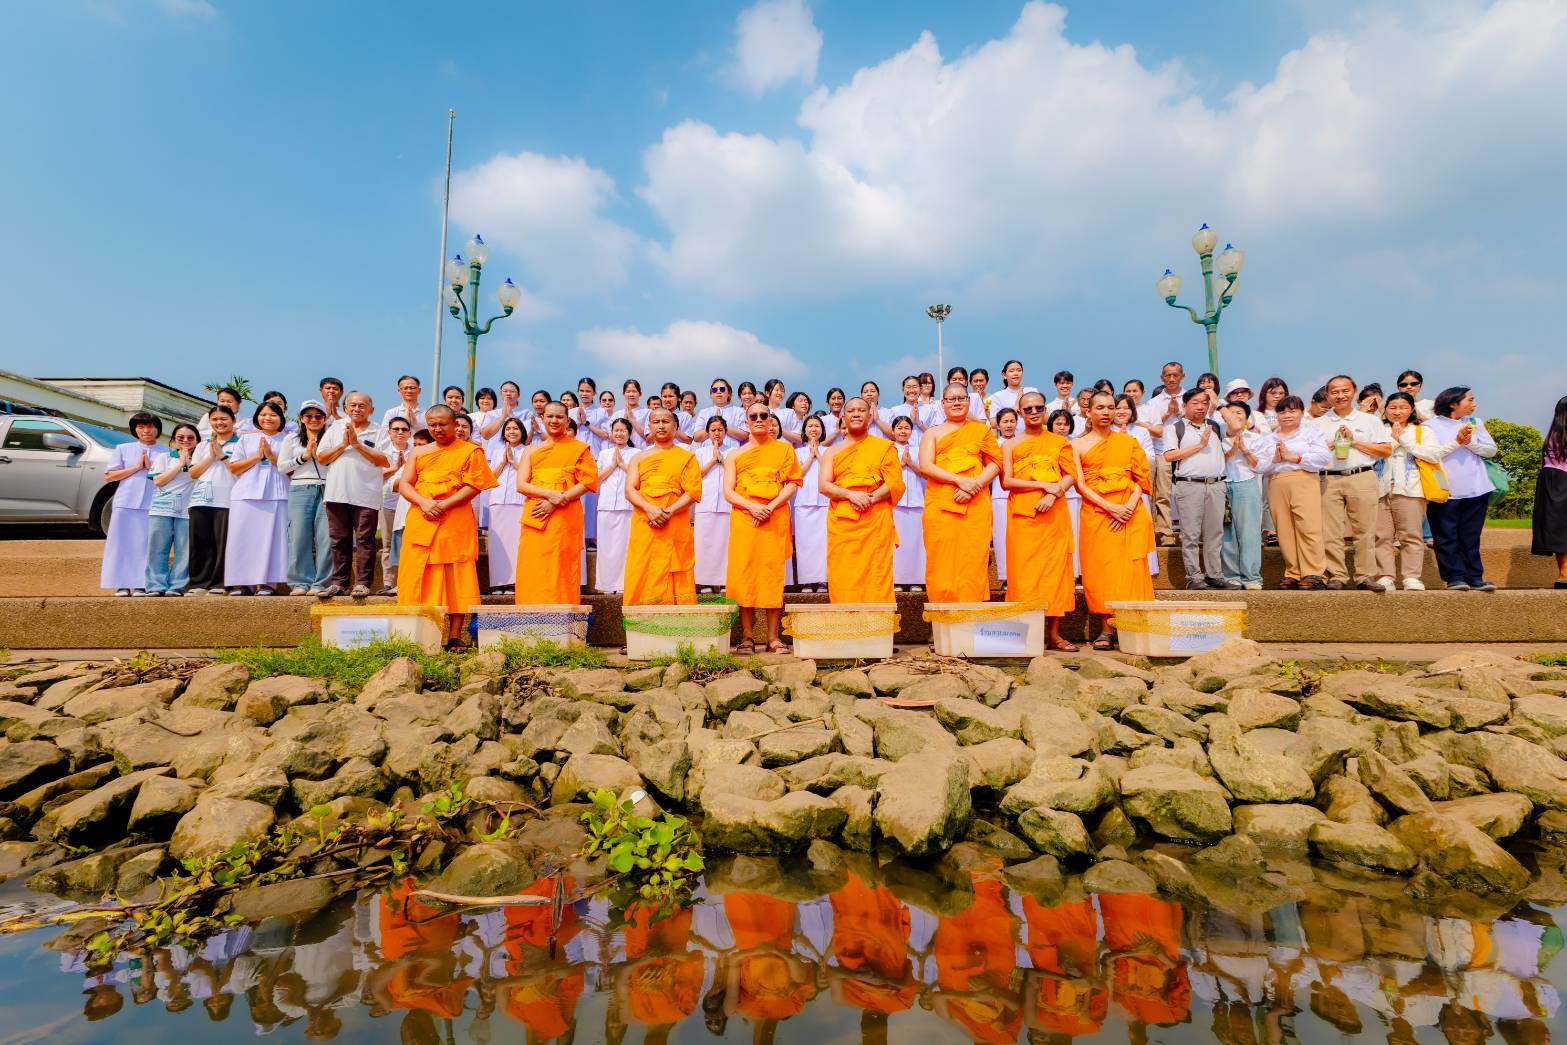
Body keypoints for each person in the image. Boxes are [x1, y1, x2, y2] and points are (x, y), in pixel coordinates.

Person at [395, 405, 498, 645]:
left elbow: (474, 485)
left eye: (442, 424)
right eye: (432, 425)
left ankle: (454, 636)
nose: (437, 429)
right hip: (423, 516)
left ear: (455, 425)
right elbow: (405, 484)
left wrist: (444, 504)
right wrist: (424, 502)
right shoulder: (419, 452)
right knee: (418, 573)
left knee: (456, 576)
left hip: (454, 520)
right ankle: (419, 634)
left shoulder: (471, 451)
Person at [1073, 390, 1155, 649]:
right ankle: (1106, 629)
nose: (1106, 412)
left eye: (1111, 407)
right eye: (1100, 408)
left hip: (1130, 512)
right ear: (1088, 411)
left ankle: (1135, 625)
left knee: (1132, 569)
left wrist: (1128, 507)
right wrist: (1110, 508)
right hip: (1097, 513)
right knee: (1101, 570)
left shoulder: (1128, 442)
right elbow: (1079, 484)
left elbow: (1141, 478)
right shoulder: (1077, 445)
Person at [725, 401, 803, 651]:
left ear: (771, 420)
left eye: (763, 415)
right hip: (745, 519)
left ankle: (773, 638)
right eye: (753, 416)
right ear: (746, 422)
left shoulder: (784, 449)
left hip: (774, 517)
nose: (759, 419)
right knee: (744, 575)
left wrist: (769, 507)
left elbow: (792, 483)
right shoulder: (735, 455)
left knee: (772, 575)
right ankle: (747, 637)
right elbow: (728, 491)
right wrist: (752, 507)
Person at [1002, 391, 1077, 649]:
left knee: (1055, 573)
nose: (1034, 412)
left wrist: (1053, 493)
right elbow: (1006, 481)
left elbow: (1071, 475)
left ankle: (1054, 634)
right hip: (1023, 516)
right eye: (1028, 409)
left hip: (1054, 513)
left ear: (1045, 410)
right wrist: (1044, 485)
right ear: (1020, 413)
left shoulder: (1058, 442)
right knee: (1023, 574)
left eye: (1038, 408)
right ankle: (1025, 633)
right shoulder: (1010, 444)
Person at [920, 382, 1003, 602]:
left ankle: (971, 611)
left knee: (972, 557)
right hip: (941, 504)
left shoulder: (981, 431)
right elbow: (926, 466)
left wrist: (974, 485)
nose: (956, 403)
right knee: (942, 557)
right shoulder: (932, 433)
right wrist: (959, 481)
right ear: (943, 403)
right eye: (952, 399)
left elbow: (996, 463)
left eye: (961, 398)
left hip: (975, 504)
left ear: (968, 401)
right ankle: (943, 613)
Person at [819, 397, 904, 603]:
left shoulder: (885, 447)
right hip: (843, 522)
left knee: (877, 573)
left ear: (870, 416)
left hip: (875, 520)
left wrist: (870, 498)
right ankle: (846, 619)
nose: (856, 414)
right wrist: (851, 495)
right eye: (851, 411)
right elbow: (824, 485)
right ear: (843, 417)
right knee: (844, 572)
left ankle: (878, 621)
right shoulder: (832, 451)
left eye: (861, 410)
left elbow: (894, 482)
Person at [514, 401, 598, 604]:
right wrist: (550, 495)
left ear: (567, 421)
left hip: (564, 516)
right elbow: (521, 484)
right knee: (533, 564)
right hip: (536, 515)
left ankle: (562, 615)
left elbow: (588, 481)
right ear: (542, 418)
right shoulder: (530, 450)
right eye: (550, 416)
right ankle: (530, 614)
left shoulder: (579, 448)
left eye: (559, 417)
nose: (554, 420)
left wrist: (559, 500)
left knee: (561, 565)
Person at [1314, 375, 1392, 590]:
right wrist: (1333, 444)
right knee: (1330, 530)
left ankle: (1365, 576)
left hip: (1362, 476)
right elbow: (1311, 454)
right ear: (1327, 395)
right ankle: (1337, 575)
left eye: (1345, 391)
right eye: (1334, 392)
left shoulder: (1370, 420)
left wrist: (1354, 442)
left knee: (1365, 530)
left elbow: (1386, 450)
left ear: (1354, 391)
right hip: (1328, 478)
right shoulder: (1318, 423)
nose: (1340, 396)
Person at [1375, 391, 1456, 591]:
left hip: (1411, 489)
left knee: (1411, 535)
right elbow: (1370, 454)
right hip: (1379, 489)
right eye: (1392, 407)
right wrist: (1393, 441)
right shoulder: (1377, 429)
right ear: (1385, 410)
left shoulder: (1422, 431)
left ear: (1411, 410)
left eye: (1403, 407)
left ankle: (1411, 576)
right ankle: (1385, 576)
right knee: (1381, 536)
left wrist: (1403, 441)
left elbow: (1433, 455)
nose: (1397, 412)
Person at [623, 407, 703, 605]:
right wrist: (649, 509)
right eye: (656, 422)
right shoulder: (638, 458)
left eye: (665, 421)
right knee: (643, 565)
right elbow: (630, 490)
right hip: (645, 521)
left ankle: (679, 619)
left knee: (677, 565)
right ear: (649, 427)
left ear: (675, 427)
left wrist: (669, 511)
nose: (660, 425)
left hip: (675, 521)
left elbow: (693, 491)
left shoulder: (687, 457)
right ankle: (641, 617)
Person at [1424, 386, 1500, 591]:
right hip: (1445, 490)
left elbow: (1491, 450)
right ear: (1453, 403)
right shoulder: (1430, 426)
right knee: (1446, 536)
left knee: (1470, 536)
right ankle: (1454, 577)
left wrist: (1470, 443)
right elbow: (1431, 454)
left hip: (1477, 488)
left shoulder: (1475, 422)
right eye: (1470, 400)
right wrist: (1457, 441)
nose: (1474, 404)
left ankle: (1474, 577)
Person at [317, 391, 389, 599]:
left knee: (365, 540)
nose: (357, 409)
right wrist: (343, 445)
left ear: (371, 410)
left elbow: (385, 461)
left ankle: (363, 583)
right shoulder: (335, 428)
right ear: (346, 408)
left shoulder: (379, 431)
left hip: (366, 496)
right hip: (336, 493)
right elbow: (322, 457)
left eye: (362, 405)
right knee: (339, 540)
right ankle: (339, 583)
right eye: (353, 405)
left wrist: (357, 444)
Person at [1162, 389, 1233, 589]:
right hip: (1189, 485)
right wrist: (1200, 445)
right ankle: (1194, 577)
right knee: (1191, 534)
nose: (1201, 406)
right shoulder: (1175, 428)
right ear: (1184, 405)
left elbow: (1236, 426)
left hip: (1216, 484)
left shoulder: (1215, 425)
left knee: (1214, 533)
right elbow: (1169, 456)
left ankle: (1214, 575)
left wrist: (1218, 404)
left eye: (1204, 402)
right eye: (1195, 402)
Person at [1263, 396, 1332, 588]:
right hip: (1277, 482)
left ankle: (1314, 573)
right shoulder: (1269, 437)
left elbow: (1323, 457)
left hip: (1304, 478)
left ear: (1302, 412)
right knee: (1284, 530)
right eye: (1282, 412)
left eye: (1292, 411)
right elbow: (1260, 465)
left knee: (1308, 527)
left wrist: (1293, 457)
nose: (1287, 415)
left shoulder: (1311, 432)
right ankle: (1292, 572)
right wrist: (1276, 459)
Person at [225, 401, 291, 595]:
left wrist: (271, 457)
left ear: (281, 418)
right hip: (246, 494)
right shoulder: (245, 439)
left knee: (274, 540)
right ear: (257, 417)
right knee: (244, 538)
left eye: (273, 415)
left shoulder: (289, 440)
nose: (268, 418)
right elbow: (234, 467)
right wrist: (257, 457)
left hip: (277, 493)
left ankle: (269, 584)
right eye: (263, 414)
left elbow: (292, 469)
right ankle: (244, 584)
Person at [100, 410, 165, 595]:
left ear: (157, 429)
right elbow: (110, 476)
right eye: (141, 427)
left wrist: (151, 467)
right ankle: (120, 584)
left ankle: (141, 584)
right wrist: (137, 467)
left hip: (153, 503)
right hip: (125, 502)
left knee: (145, 544)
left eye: (150, 427)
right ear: (134, 429)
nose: (146, 431)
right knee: (120, 543)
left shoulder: (167, 452)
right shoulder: (123, 448)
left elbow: (171, 478)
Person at [279, 400, 332, 596]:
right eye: (308, 416)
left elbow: (337, 462)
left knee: (326, 537)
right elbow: (282, 467)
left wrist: (318, 454)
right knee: (298, 536)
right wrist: (305, 456)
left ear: (324, 419)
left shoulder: (331, 438)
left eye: (318, 416)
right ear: (301, 418)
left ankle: (322, 582)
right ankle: (300, 581)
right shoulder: (292, 439)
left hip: (328, 487)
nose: (313, 419)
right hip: (300, 487)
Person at [187, 404, 239, 594]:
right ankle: (199, 583)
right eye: (215, 419)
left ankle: (220, 584)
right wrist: (211, 456)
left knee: (223, 543)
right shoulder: (202, 445)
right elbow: (193, 473)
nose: (219, 422)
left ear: (233, 421)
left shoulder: (241, 443)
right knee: (200, 543)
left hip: (227, 499)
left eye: (224, 419)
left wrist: (222, 455)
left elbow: (240, 471)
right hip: (200, 499)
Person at [1220, 401, 1272, 590]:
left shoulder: (1255, 438)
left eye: (1239, 412)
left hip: (1246, 484)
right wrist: (1232, 450)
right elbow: (1215, 462)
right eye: (1231, 412)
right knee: (1226, 533)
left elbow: (1261, 466)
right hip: (1222, 485)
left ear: (1247, 417)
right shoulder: (1218, 436)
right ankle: (1231, 576)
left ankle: (1252, 577)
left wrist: (1244, 450)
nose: (1235, 416)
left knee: (1249, 532)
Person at [145, 423, 200, 596]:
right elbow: (158, 481)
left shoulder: (201, 460)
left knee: (184, 551)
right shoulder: (164, 457)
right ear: (174, 440)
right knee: (157, 549)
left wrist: (189, 463)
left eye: (190, 438)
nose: (185, 441)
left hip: (187, 511)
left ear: (197, 440)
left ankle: (177, 586)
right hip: (161, 510)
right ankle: (155, 585)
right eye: (180, 437)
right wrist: (180, 464)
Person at [1138, 361, 1185, 547]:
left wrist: (1179, 412)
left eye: (1175, 375)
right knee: (1161, 494)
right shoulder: (1153, 403)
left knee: (1184, 495)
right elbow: (1152, 429)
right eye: (1168, 375)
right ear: (1162, 377)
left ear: (1182, 376)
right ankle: (1163, 534)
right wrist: (1166, 414)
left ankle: (1183, 533)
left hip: (1186, 451)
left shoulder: (1190, 397)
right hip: (1162, 451)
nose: (1171, 379)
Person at [484, 418, 527, 595]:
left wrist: (514, 462)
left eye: (515, 428)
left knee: (516, 543)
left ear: (522, 431)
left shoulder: (528, 451)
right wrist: (503, 461)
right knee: (498, 545)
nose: (511, 432)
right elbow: (490, 477)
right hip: (498, 500)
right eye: (508, 429)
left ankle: (514, 582)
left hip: (519, 501)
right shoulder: (496, 451)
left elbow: (530, 476)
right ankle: (498, 582)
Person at [593, 418, 635, 594]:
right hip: (606, 505)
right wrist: (612, 465)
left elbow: (639, 477)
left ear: (629, 433)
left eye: (622, 430)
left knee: (625, 546)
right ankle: (607, 585)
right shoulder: (604, 453)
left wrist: (622, 465)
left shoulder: (637, 453)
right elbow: (596, 479)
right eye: (616, 430)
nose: (619, 433)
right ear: (611, 433)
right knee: (606, 547)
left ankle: (624, 584)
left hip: (628, 506)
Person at [694, 416, 732, 592]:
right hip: (705, 504)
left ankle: (725, 581)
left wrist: (722, 460)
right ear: (708, 432)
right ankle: (705, 582)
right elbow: (696, 475)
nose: (717, 433)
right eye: (713, 430)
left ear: (725, 431)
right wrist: (712, 461)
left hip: (726, 503)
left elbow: (736, 472)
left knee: (725, 544)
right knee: (704, 543)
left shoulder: (733, 451)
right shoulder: (700, 452)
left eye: (720, 430)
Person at [792, 415, 830, 591]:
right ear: (804, 430)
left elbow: (832, 472)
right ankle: (807, 581)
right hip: (803, 502)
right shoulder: (797, 452)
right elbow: (796, 474)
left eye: (817, 426)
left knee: (824, 543)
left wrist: (819, 455)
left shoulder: (829, 451)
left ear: (822, 430)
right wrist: (810, 456)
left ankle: (823, 580)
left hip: (825, 502)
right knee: (805, 543)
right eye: (810, 426)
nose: (814, 429)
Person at [1534, 395, 1567, 589]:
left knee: (1559, 529)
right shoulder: (1560, 435)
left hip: (1552, 482)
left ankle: (1564, 574)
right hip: (1560, 481)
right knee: (1561, 529)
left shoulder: (1553, 434)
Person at [890, 415, 925, 589]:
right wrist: (901, 464)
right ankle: (897, 580)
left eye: (906, 428)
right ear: (893, 430)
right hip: (896, 501)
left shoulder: (919, 450)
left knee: (916, 542)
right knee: (897, 543)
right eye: (899, 428)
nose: (903, 431)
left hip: (916, 500)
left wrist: (910, 464)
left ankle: (916, 580)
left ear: (911, 431)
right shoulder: (888, 450)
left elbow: (925, 473)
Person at [377, 418, 412, 594]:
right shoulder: (381, 451)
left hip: (409, 504)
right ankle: (388, 582)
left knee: (407, 544)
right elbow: (372, 476)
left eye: (404, 429)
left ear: (410, 433)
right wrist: (396, 468)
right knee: (388, 544)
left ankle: (403, 581)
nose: (400, 432)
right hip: (387, 502)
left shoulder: (415, 451)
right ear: (389, 432)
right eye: (396, 429)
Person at [991, 407, 1019, 586]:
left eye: (1012, 421)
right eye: (1005, 422)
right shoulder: (993, 445)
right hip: (1000, 495)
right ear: (998, 425)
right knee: (1001, 536)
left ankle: (1020, 574)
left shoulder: (1022, 442)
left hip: (1022, 494)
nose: (1009, 425)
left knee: (1019, 536)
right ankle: (1005, 576)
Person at [695, 377, 747, 449]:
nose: (718, 392)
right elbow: (696, 437)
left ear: (729, 393)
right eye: (715, 390)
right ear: (711, 394)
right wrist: (713, 427)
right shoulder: (704, 412)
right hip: (707, 452)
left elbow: (744, 435)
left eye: (722, 389)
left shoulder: (739, 411)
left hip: (732, 452)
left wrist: (723, 426)